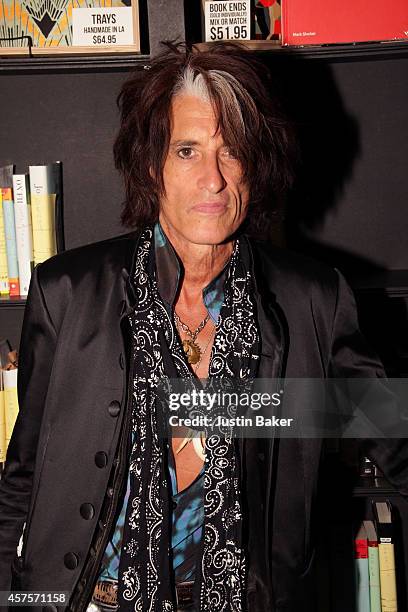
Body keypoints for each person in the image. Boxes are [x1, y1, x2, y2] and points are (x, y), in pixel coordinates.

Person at [0, 41, 407, 612]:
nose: (213, 180)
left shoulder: (311, 300)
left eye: (231, 151)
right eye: (187, 150)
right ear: (151, 165)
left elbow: (394, 432)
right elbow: (25, 475)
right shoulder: (67, 292)